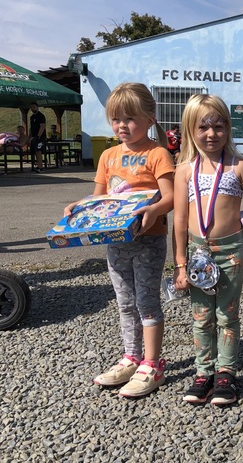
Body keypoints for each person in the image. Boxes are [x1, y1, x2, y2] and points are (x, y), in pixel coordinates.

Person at [63, 83, 175, 397]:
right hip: (115, 243)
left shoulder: (158, 154)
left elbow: (171, 197)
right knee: (125, 303)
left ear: (150, 119)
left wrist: (154, 210)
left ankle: (152, 364)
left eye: (129, 118)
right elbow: (98, 199)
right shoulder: (108, 156)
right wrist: (79, 206)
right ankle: (132, 357)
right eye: (116, 119)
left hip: (148, 241)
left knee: (146, 302)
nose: (122, 125)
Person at [172, 94, 243, 406]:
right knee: (201, 315)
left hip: (231, 251)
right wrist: (180, 264)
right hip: (197, 253)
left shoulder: (239, 166)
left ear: (228, 129)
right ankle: (203, 372)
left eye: (219, 126)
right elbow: (179, 219)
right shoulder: (184, 170)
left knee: (227, 314)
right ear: (190, 130)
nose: (211, 134)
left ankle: (226, 372)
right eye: (203, 127)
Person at [29, 102, 46, 172]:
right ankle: (37, 165)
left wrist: (38, 136)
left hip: (40, 137)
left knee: (39, 151)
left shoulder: (41, 116)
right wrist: (29, 136)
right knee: (35, 151)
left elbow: (42, 126)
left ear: (37, 107)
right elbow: (31, 128)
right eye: (31, 107)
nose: (32, 108)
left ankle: (40, 167)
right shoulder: (32, 117)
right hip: (33, 137)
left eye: (34, 107)